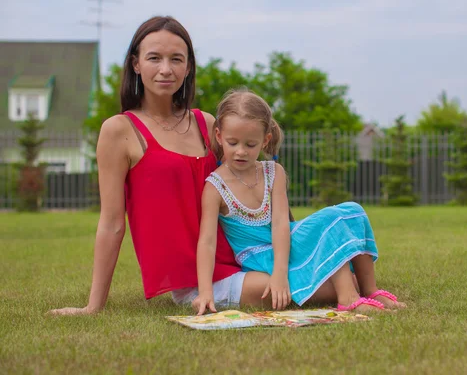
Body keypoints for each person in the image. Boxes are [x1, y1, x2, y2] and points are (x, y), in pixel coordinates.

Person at [48, 16, 338, 315]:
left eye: (176, 59)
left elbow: (258, 183)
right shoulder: (119, 130)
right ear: (136, 64)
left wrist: (286, 251)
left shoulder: (207, 124)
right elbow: (111, 223)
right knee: (305, 289)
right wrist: (93, 306)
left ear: (188, 67)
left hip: (247, 255)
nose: (166, 69)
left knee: (317, 272)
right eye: (154, 58)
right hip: (197, 278)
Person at [193, 89, 406, 315]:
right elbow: (207, 242)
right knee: (331, 220)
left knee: (352, 210)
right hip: (259, 256)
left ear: (265, 141)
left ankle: (369, 290)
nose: (241, 151)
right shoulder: (215, 186)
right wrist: (205, 292)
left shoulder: (274, 172)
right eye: (232, 142)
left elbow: (280, 225)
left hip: (285, 244)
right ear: (218, 136)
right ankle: (348, 298)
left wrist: (280, 273)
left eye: (251, 144)